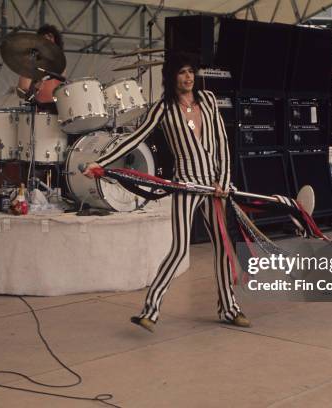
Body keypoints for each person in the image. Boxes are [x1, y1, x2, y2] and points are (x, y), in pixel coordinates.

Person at [83, 52, 249, 332]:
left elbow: (222, 143)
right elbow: (135, 138)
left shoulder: (208, 100)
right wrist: (102, 161)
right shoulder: (163, 108)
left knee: (223, 247)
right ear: (172, 76)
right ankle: (150, 311)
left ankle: (229, 309)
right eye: (182, 72)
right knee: (180, 248)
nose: (188, 77)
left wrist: (224, 181)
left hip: (214, 186)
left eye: (191, 72)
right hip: (185, 184)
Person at [17, 24, 64, 113]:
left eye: (50, 36)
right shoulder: (31, 62)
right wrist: (36, 86)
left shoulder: (60, 63)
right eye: (44, 36)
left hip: (58, 110)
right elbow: (22, 90)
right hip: (39, 111)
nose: (47, 39)